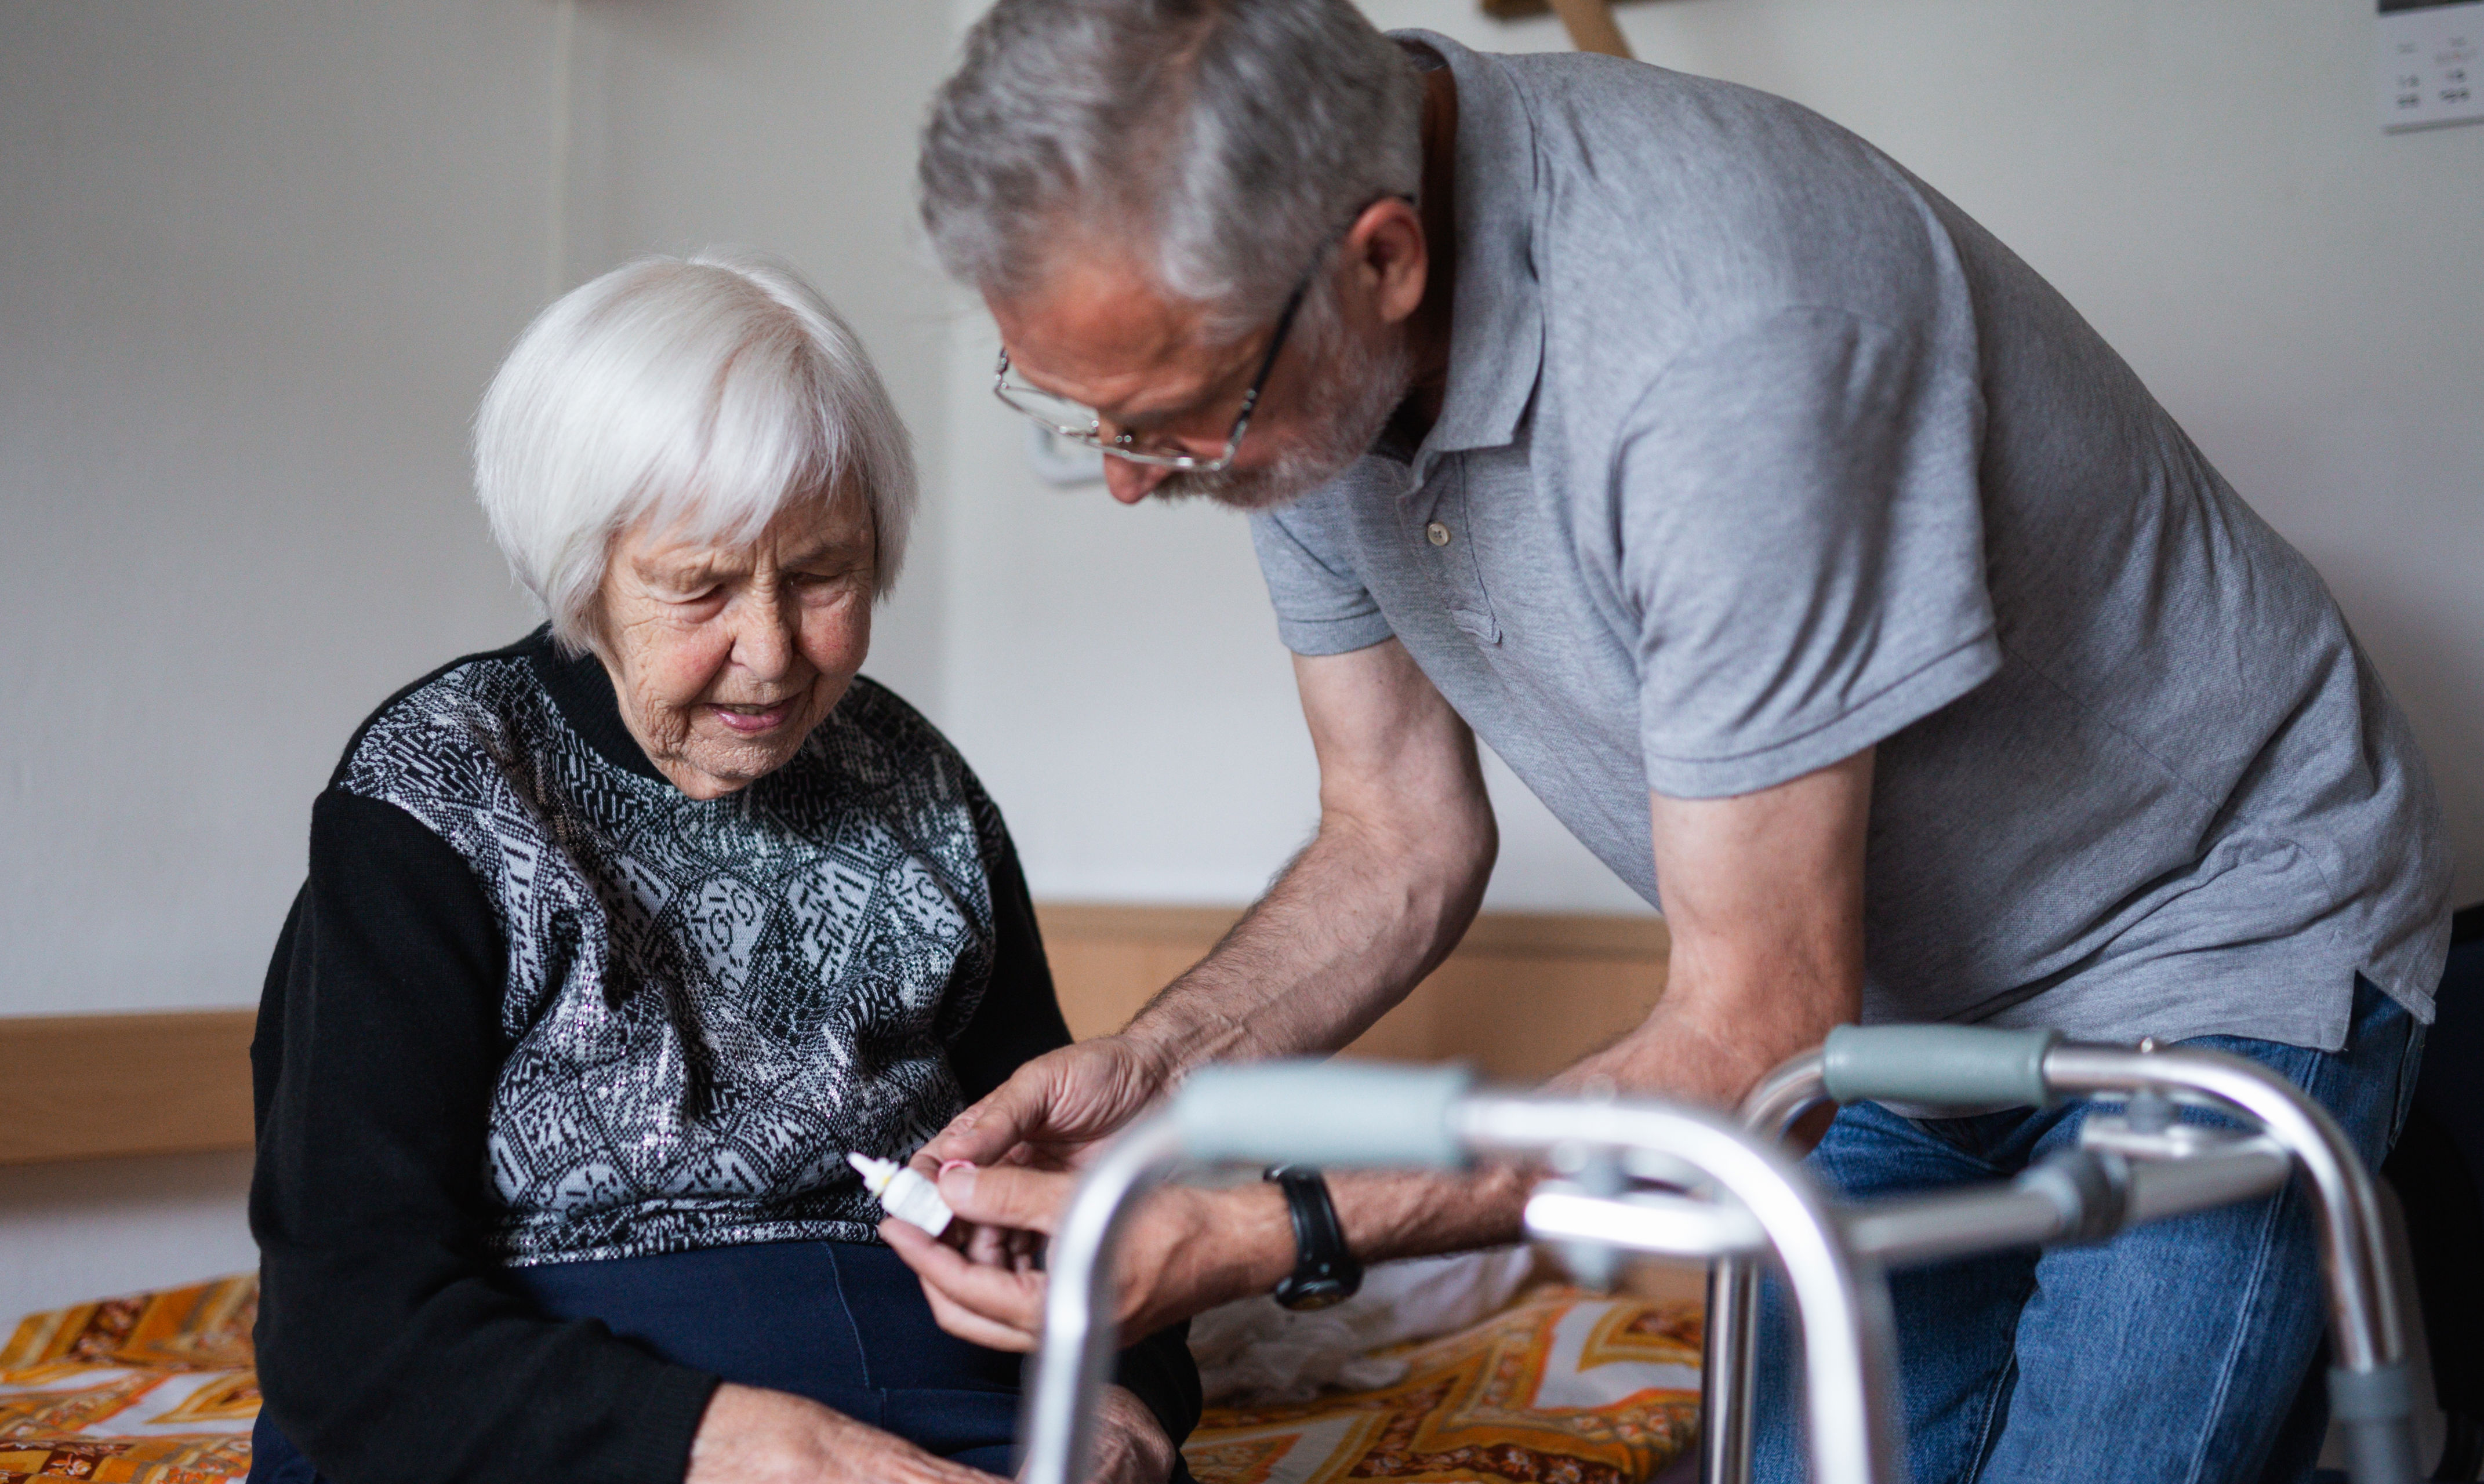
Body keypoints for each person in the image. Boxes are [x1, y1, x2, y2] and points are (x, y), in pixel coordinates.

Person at [882, 5, 2451, 1483]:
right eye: (1078, 410)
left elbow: (1749, 1024)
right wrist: (1147, 1077)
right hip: (1885, 1012)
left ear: (1381, 259)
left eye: (1171, 419)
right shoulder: (1300, 367)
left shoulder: (1724, 343)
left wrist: (1271, 1232)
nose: (1134, 480)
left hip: (2205, 935)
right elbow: (1396, 840)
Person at [246, 252, 1197, 1484]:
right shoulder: (437, 792)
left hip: (940, 1387)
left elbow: (1077, 1195)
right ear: (581, 565)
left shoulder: (921, 785)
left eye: (822, 575)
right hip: (562, 1422)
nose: (770, 652)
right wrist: (753, 1440)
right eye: (698, 584)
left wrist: (1129, 1384)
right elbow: (349, 1331)